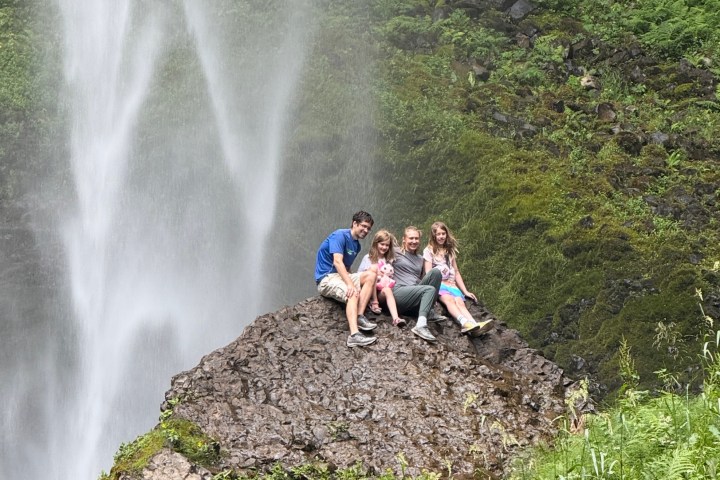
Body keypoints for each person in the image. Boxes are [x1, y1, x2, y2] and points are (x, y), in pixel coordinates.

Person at [315, 211, 378, 348]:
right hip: (327, 278)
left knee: (371, 275)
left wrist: (352, 280)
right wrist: (350, 285)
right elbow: (338, 262)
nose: (366, 230)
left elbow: (347, 268)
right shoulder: (339, 235)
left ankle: (360, 316)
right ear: (354, 223)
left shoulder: (357, 245)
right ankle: (354, 335)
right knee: (353, 293)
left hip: (340, 276)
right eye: (364, 226)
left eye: (368, 228)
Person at [423, 221, 493, 335]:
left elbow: (456, 271)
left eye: (443, 233)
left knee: (460, 302)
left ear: (446, 234)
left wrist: (465, 291)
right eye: (438, 234)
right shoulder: (429, 250)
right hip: (440, 284)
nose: (441, 237)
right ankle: (464, 322)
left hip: (452, 284)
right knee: (450, 300)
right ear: (434, 236)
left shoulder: (449, 250)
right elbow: (428, 272)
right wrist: (431, 293)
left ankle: (474, 324)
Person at [391, 226, 447, 342]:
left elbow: (424, 277)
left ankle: (428, 311)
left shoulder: (420, 258)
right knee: (429, 290)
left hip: (414, 292)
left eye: (416, 239)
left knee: (436, 273)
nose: (414, 241)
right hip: (399, 293)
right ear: (404, 239)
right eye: (411, 238)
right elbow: (378, 255)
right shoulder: (395, 252)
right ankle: (420, 325)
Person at [358, 230, 405, 328]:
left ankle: (396, 318)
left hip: (380, 292)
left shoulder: (388, 260)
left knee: (387, 290)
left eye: (387, 245)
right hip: (369, 292)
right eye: (382, 244)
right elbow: (359, 276)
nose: (384, 247)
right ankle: (373, 302)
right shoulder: (368, 258)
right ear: (376, 243)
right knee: (373, 271)